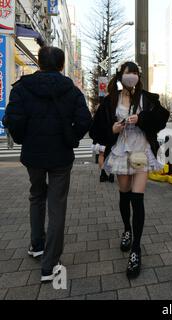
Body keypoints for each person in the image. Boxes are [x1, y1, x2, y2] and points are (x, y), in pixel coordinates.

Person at [2, 46, 92, 283]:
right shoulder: (71, 90)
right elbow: (85, 120)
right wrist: (71, 137)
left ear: (39, 64)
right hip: (61, 156)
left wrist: (24, 139)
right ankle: (49, 264)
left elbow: (12, 119)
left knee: (36, 195)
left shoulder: (22, 88)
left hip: (33, 155)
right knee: (57, 205)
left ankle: (37, 244)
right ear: (62, 65)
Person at [89, 61, 169, 279]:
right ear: (121, 75)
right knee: (124, 193)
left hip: (139, 151)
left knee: (137, 197)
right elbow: (96, 128)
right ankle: (127, 229)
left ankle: (136, 249)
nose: (132, 76)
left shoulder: (146, 97)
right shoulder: (110, 101)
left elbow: (163, 118)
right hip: (121, 150)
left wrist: (141, 118)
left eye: (135, 72)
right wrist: (112, 129)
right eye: (128, 72)